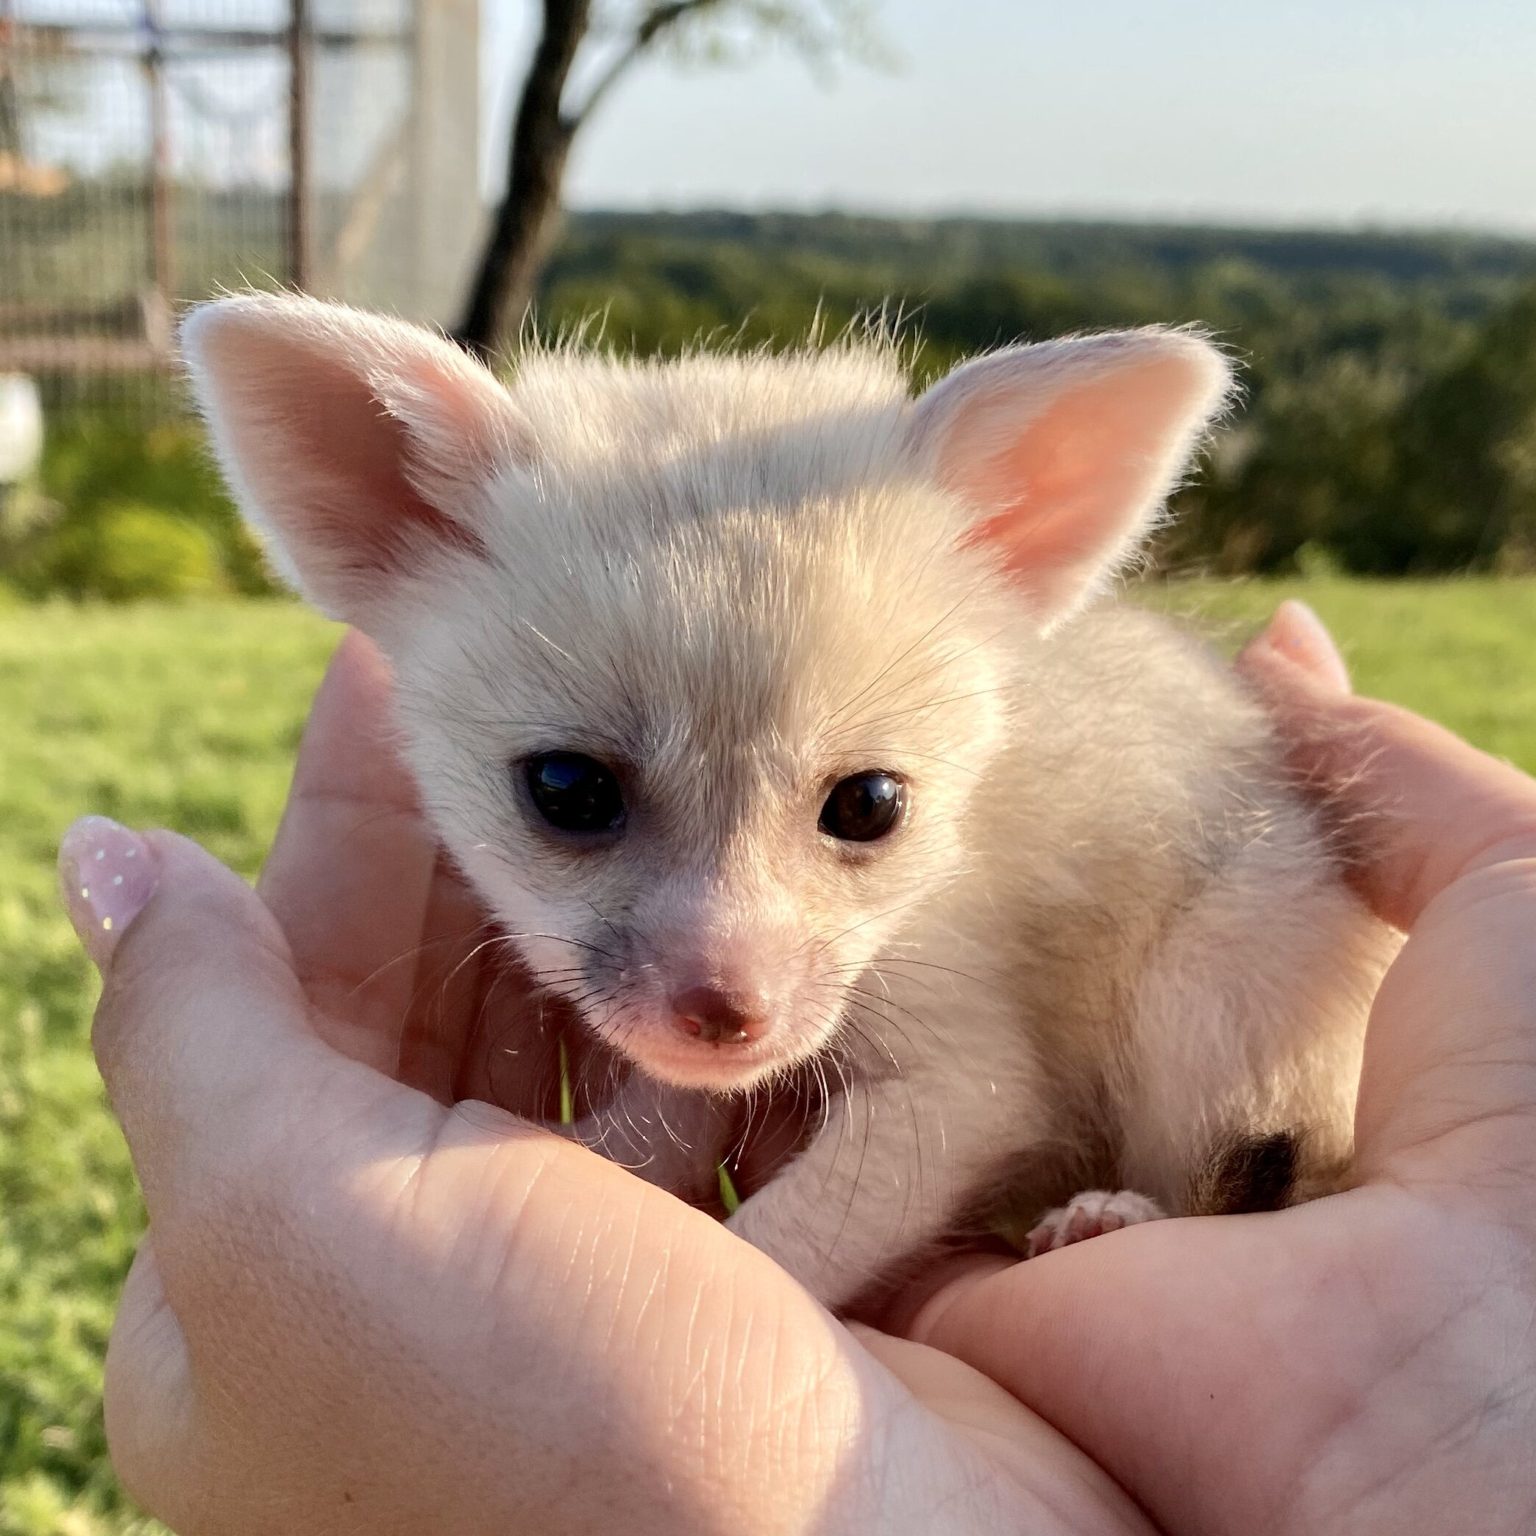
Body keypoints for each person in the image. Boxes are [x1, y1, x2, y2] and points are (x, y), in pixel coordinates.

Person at [60, 602, 1536, 1535]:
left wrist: (734, 1282)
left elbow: (954, 1088)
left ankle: (1216, 1210)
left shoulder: (941, 728)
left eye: (860, 804)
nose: (726, 962)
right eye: (575, 796)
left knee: (1213, 995)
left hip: (1199, 1003)